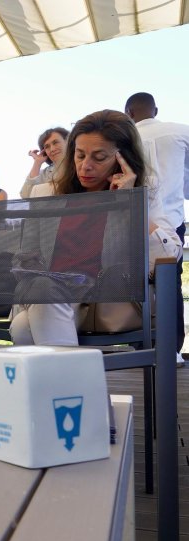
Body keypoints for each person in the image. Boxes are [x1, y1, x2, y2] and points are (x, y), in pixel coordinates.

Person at [10, 110, 181, 346]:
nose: (85, 166)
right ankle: (79, 371)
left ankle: (74, 371)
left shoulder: (142, 192)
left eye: (99, 157)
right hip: (50, 295)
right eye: (79, 155)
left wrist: (130, 204)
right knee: (41, 296)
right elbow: (24, 257)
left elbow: (168, 256)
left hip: (106, 303)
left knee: (23, 327)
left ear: (123, 158)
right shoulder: (45, 193)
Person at [125, 92, 189, 367]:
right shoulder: (181, 132)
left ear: (128, 113)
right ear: (156, 110)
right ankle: (171, 349)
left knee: (132, 282)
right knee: (170, 284)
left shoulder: (124, 138)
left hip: (130, 220)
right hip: (171, 222)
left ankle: (138, 345)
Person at [20, 127, 69, 198]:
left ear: (67, 141)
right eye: (47, 147)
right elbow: (25, 195)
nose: (52, 149)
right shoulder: (44, 173)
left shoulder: (78, 165)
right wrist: (37, 163)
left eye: (55, 142)